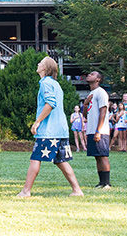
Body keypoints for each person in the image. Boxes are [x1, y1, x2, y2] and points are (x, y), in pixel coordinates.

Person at [17, 55, 83, 197]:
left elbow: (50, 104)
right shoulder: (55, 84)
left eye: (40, 63)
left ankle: (26, 191)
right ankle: (77, 190)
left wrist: (37, 122)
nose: (38, 64)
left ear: (45, 68)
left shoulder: (45, 83)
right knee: (61, 161)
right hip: (61, 130)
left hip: (49, 131)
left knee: (35, 158)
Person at [84, 71, 112, 188]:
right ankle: (101, 182)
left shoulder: (101, 93)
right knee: (97, 156)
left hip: (100, 130)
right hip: (91, 130)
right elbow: (85, 115)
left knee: (103, 155)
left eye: (92, 74)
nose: (89, 75)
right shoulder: (91, 94)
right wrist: (85, 105)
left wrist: (98, 130)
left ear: (98, 79)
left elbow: (103, 112)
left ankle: (107, 183)